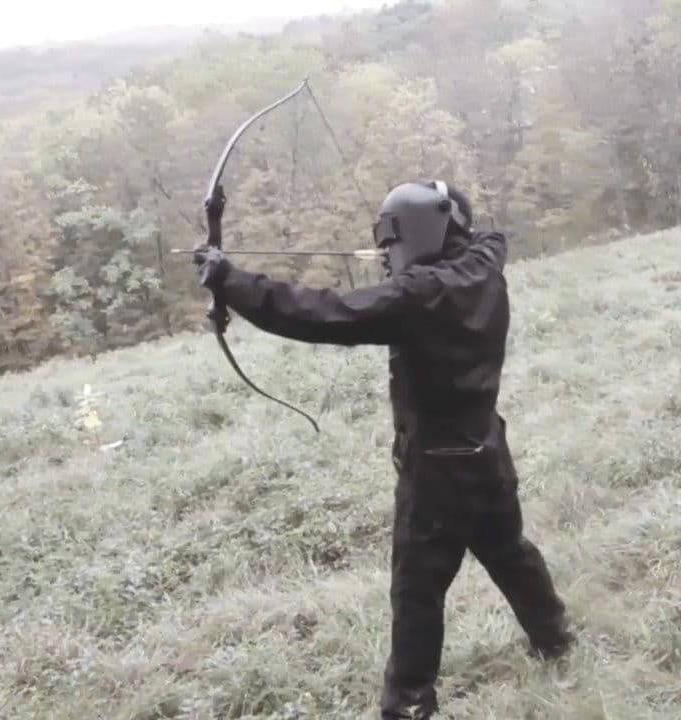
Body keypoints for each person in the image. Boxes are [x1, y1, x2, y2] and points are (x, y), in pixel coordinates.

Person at [192, 180, 576, 719]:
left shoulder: (419, 296)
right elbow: (467, 251)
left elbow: (321, 312)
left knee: (417, 590)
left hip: (437, 471)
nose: (387, 252)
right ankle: (555, 637)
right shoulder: (485, 264)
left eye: (392, 239)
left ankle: (408, 704)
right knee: (509, 550)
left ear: (420, 229)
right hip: (487, 449)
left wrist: (230, 280)